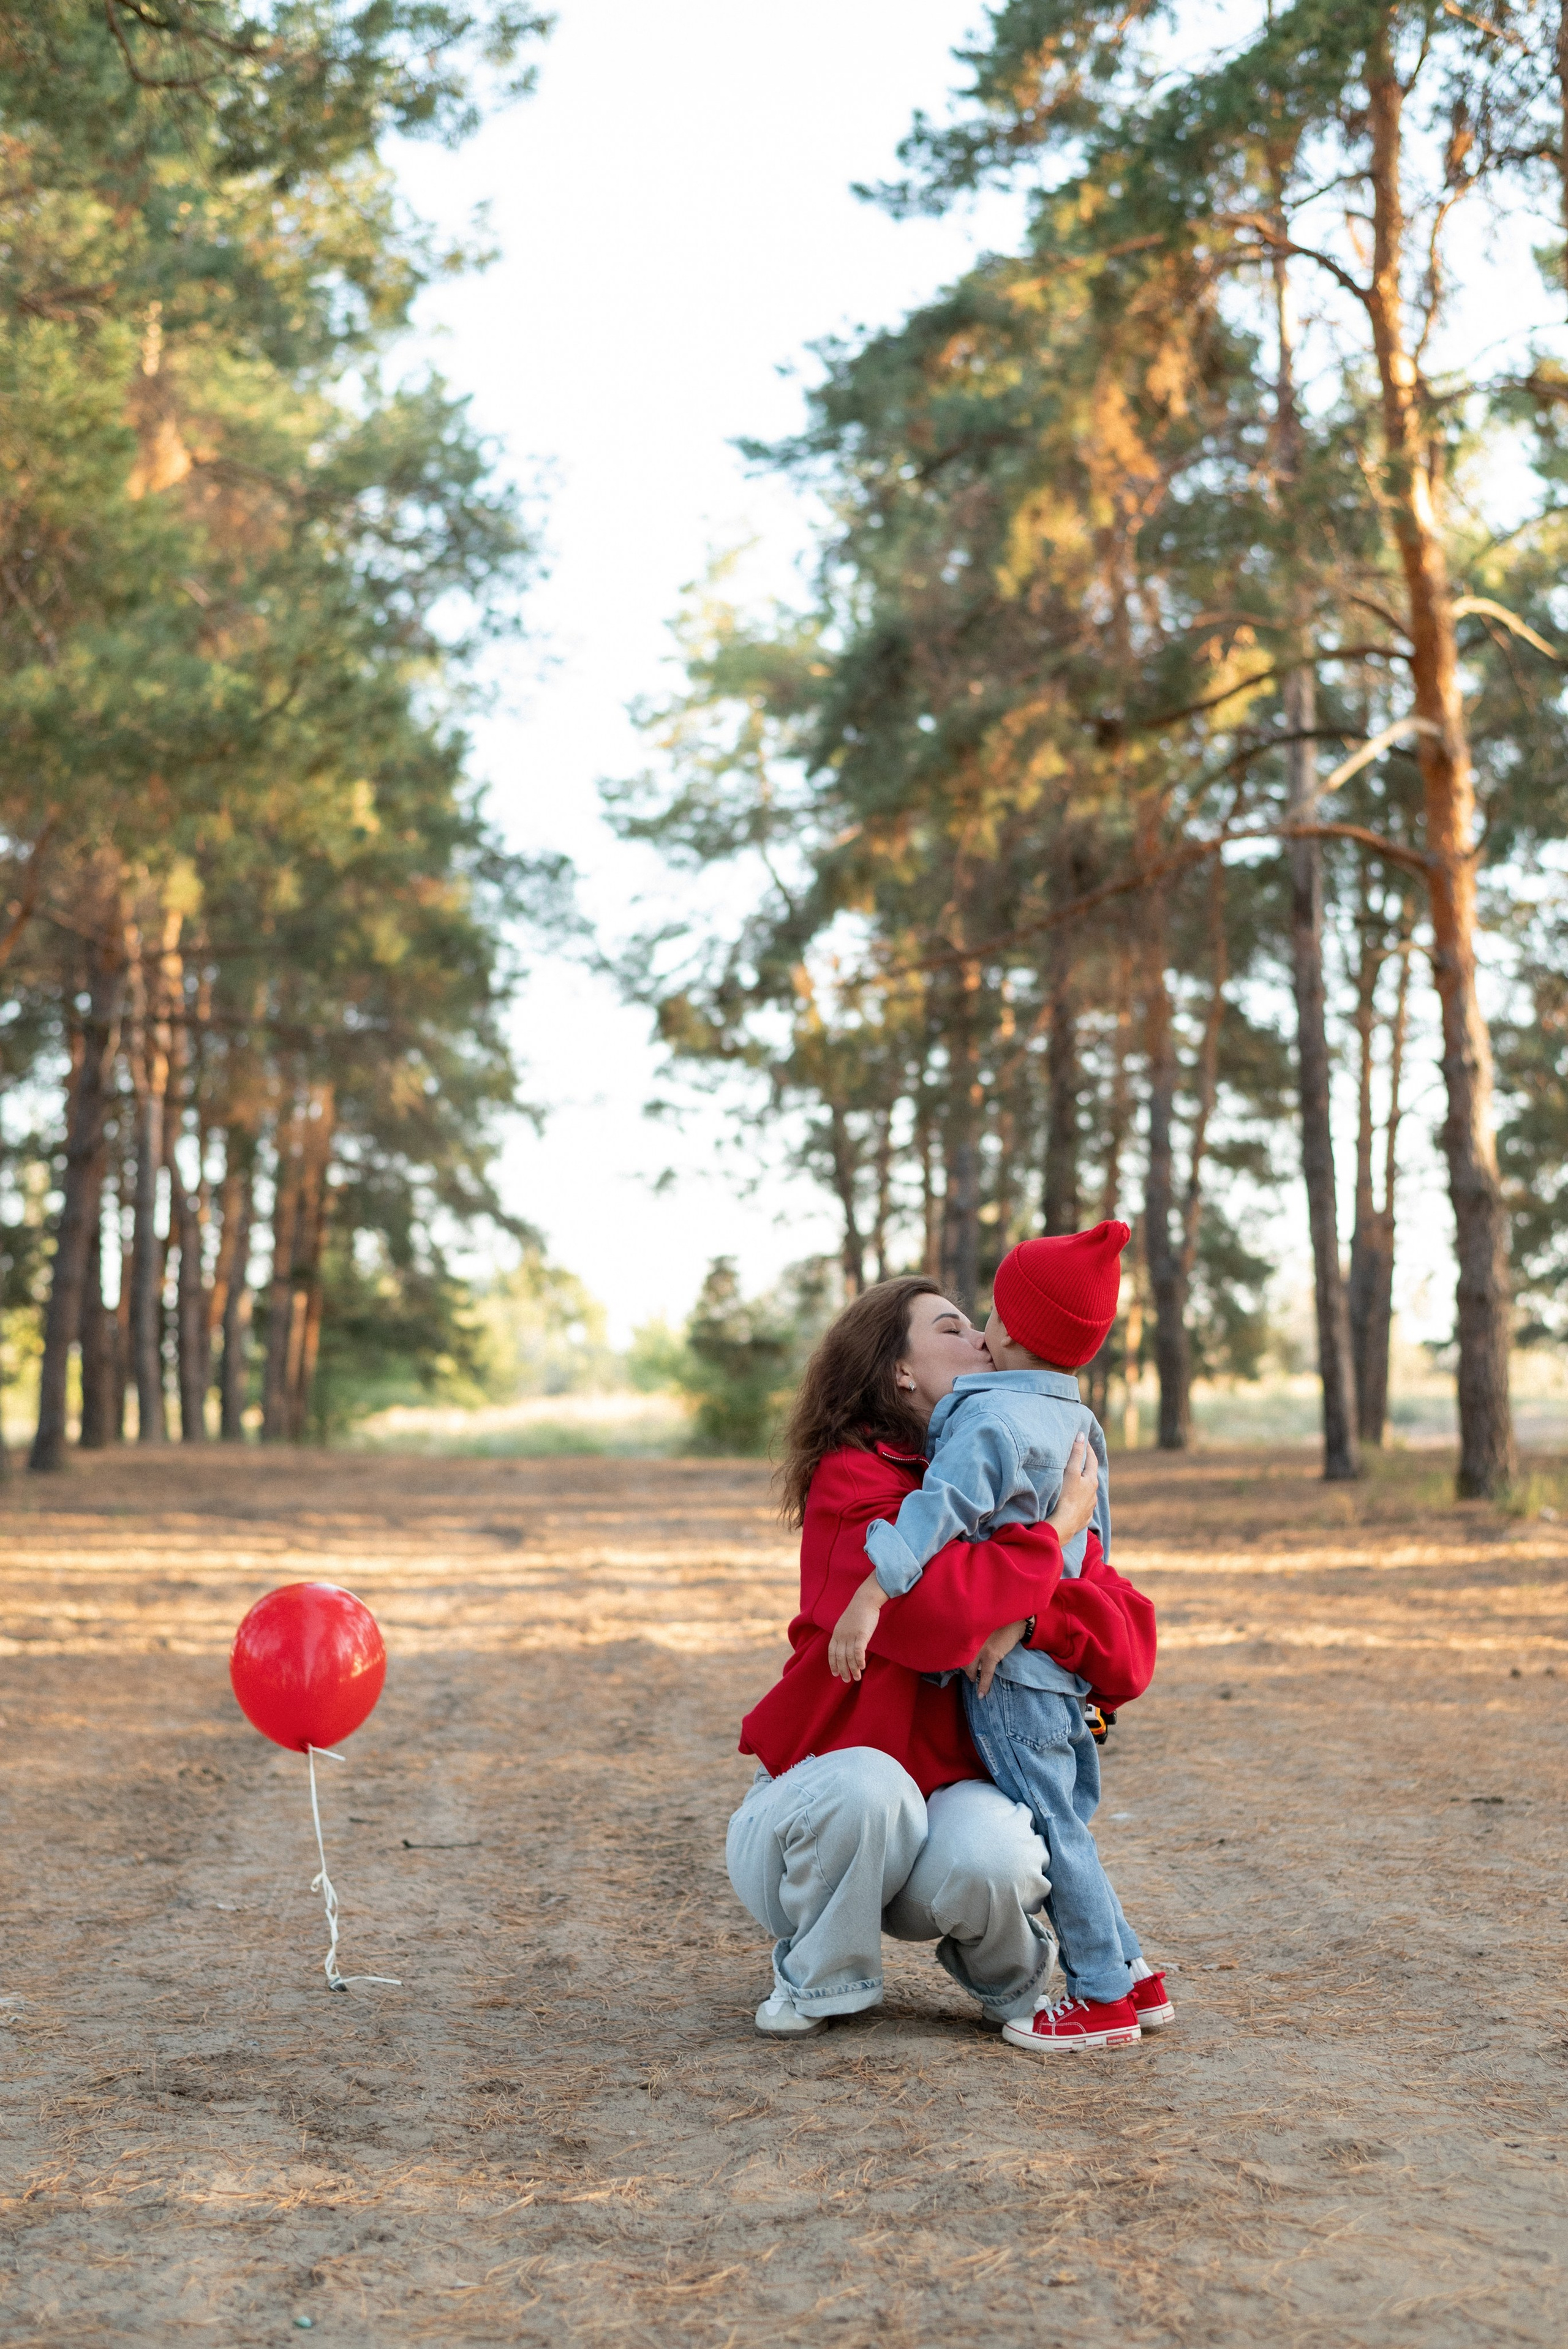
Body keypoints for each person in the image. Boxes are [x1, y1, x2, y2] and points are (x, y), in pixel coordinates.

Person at [726, 1275, 1153, 2040]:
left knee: (1003, 1846)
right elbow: (935, 1615)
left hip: (933, 1824)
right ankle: (820, 1979)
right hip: (812, 1828)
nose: (983, 1338)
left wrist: (1027, 1619)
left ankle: (1018, 1988)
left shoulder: (1010, 1485)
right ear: (899, 1369)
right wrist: (1055, 1536)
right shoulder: (853, 1480)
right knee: (870, 1783)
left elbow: (1127, 1647)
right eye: (952, 1328)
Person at [826, 1225, 1170, 2053]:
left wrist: (872, 1591)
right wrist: (1042, 1608)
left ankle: (1100, 1996)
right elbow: (1094, 1555)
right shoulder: (1079, 1420)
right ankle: (1134, 1972)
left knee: (1055, 1831)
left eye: (981, 1315)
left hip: (1012, 1678)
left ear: (1007, 1327)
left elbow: (936, 1513)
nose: (976, 1330)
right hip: (1059, 1675)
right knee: (1068, 1822)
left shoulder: (989, 1421)